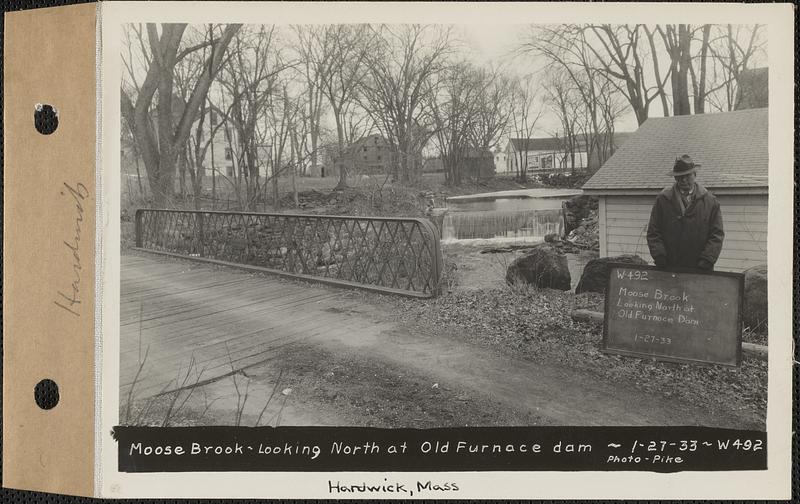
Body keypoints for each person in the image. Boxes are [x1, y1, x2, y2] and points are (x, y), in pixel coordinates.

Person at [646, 155, 724, 271]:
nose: (683, 180)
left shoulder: (710, 201)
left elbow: (716, 234)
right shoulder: (663, 199)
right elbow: (653, 231)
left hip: (700, 268)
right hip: (669, 266)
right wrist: (659, 255)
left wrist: (708, 259)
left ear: (695, 175)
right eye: (679, 176)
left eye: (687, 175)